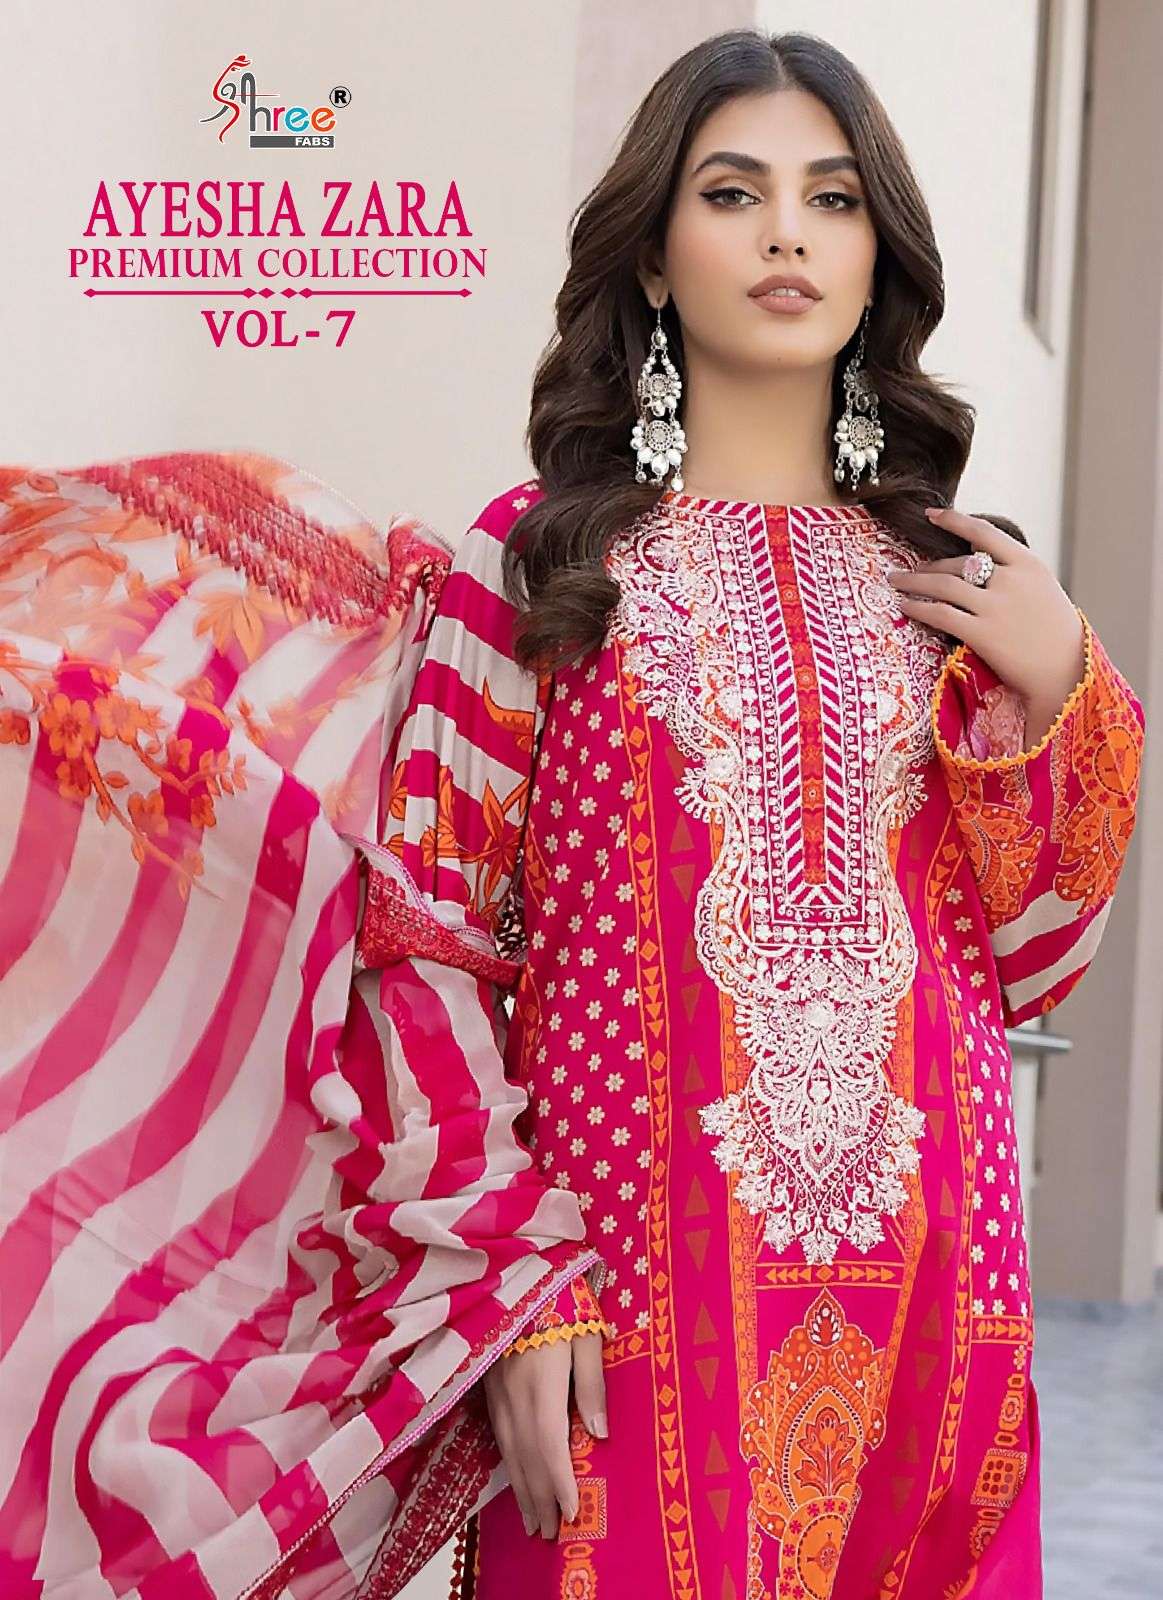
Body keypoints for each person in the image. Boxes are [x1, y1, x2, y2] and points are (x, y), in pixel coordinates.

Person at [0, 29, 1145, 1600]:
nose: (790, 234)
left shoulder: (959, 589)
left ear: (879, 252)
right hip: (628, 1294)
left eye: (833, 199)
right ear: (656, 259)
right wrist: (515, 1282)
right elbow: (425, 951)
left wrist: (1063, 675)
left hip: (939, 1295)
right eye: (733, 193)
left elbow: (1037, 955)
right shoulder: (539, 570)